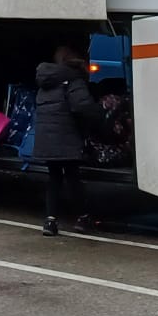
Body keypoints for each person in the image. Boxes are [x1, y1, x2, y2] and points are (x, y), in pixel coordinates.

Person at [35, 43, 103, 235]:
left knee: (54, 179)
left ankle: (50, 221)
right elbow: (82, 107)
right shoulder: (74, 80)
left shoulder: (46, 82)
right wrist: (102, 115)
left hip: (48, 139)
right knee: (73, 179)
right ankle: (82, 218)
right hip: (67, 137)